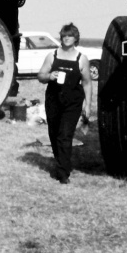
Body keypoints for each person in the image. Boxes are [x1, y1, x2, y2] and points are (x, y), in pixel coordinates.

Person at [37, 23, 92, 184]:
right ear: (61, 38)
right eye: (64, 35)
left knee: (65, 135)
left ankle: (63, 172)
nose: (67, 38)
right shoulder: (52, 56)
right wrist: (49, 76)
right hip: (53, 100)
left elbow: (87, 83)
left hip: (73, 102)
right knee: (54, 135)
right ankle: (61, 162)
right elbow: (40, 76)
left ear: (76, 38)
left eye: (70, 36)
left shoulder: (81, 59)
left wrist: (87, 105)